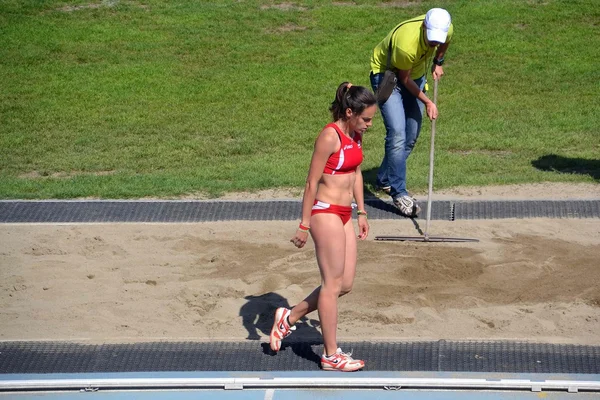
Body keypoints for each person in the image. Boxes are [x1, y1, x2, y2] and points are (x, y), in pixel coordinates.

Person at [269, 82, 377, 372]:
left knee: (345, 284)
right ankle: (331, 355)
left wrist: (362, 211)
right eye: (366, 119)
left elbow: (355, 173)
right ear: (350, 112)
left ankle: (288, 318)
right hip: (325, 212)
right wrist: (303, 224)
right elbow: (311, 182)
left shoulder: (355, 134)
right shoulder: (329, 137)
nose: (369, 125)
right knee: (331, 284)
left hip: (345, 213)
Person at [369, 8, 453, 217]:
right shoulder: (407, 44)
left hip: (414, 76)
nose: (434, 44)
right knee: (397, 133)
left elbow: (445, 41)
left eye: (437, 39)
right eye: (431, 39)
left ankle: (384, 179)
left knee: (411, 135)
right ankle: (399, 193)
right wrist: (427, 102)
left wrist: (438, 61)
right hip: (387, 76)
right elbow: (403, 79)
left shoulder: (446, 29)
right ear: (424, 26)